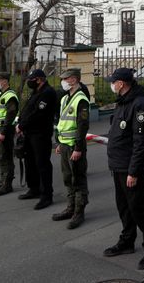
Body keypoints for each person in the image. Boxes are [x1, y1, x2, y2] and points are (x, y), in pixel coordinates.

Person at [102, 68, 144, 270]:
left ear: (122, 83)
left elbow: (141, 141)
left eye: (114, 81)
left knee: (140, 209)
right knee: (124, 207)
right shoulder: (123, 101)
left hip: (129, 168)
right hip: (118, 165)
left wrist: (133, 172)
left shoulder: (139, 104)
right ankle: (127, 241)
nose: (112, 84)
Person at [52, 68, 90, 229]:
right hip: (65, 144)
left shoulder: (81, 99)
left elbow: (82, 126)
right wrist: (59, 142)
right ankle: (70, 207)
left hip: (75, 146)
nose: (63, 82)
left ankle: (79, 212)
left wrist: (78, 148)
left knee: (78, 179)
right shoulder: (65, 99)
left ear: (74, 80)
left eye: (65, 79)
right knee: (68, 177)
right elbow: (62, 122)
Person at [17, 68, 58, 210]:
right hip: (30, 133)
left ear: (39, 79)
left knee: (42, 164)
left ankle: (46, 195)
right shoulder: (36, 91)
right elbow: (28, 109)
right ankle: (33, 188)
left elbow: (37, 113)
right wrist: (21, 124)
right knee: (30, 162)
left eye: (31, 80)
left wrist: (22, 125)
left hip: (41, 134)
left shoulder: (48, 92)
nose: (29, 82)